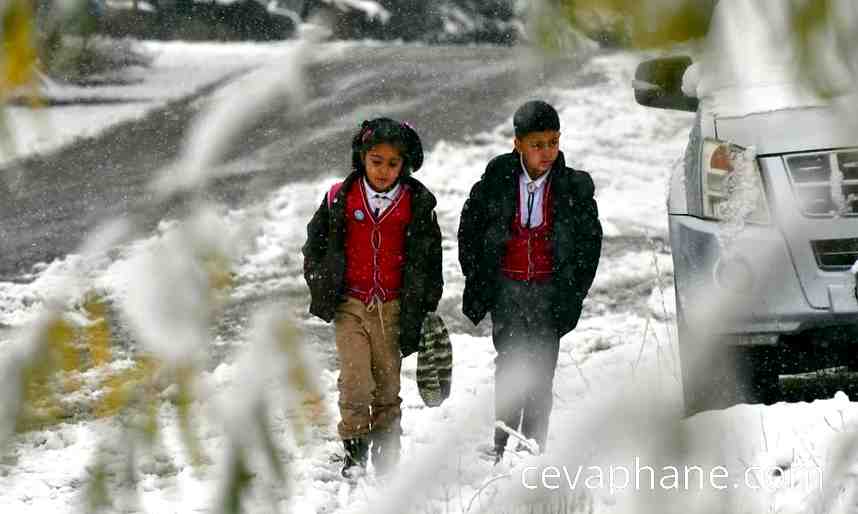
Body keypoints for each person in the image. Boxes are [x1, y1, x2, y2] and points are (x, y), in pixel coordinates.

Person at [457, 100, 602, 462]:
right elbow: (470, 230)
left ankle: (533, 447)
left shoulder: (574, 187)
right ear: (517, 144)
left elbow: (589, 244)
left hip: (549, 293)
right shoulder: (497, 179)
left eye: (553, 142)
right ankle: (501, 442)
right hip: (508, 290)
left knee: (541, 372)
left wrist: (572, 291)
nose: (547, 152)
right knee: (509, 365)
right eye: (538, 144)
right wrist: (479, 278)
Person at [302, 118, 443, 476]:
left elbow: (430, 259)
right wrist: (322, 283)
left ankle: (387, 453)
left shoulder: (416, 203)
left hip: (394, 308)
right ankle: (354, 450)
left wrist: (426, 302)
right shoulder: (340, 198)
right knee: (355, 383)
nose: (383, 170)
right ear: (361, 158)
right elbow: (314, 246)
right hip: (351, 305)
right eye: (376, 160)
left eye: (393, 163)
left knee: (387, 385)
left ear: (405, 165)